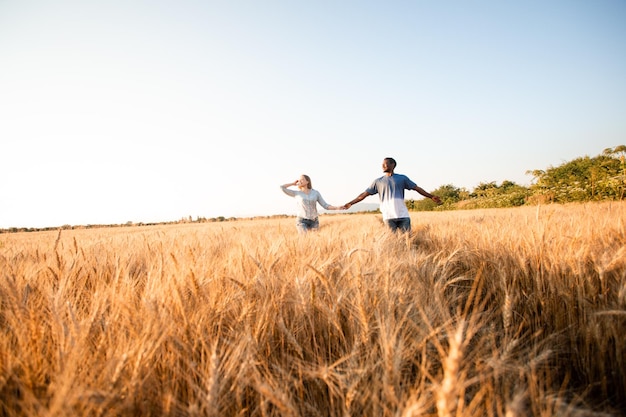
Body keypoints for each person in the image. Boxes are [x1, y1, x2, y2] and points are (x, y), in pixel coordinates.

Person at [343, 157, 441, 232]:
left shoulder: (402, 178)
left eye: (385, 164)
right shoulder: (378, 181)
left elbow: (417, 188)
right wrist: (351, 203)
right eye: (382, 164)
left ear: (392, 165)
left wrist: (431, 196)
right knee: (393, 242)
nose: (383, 166)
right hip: (388, 216)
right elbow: (363, 195)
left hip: (403, 215)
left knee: (407, 241)